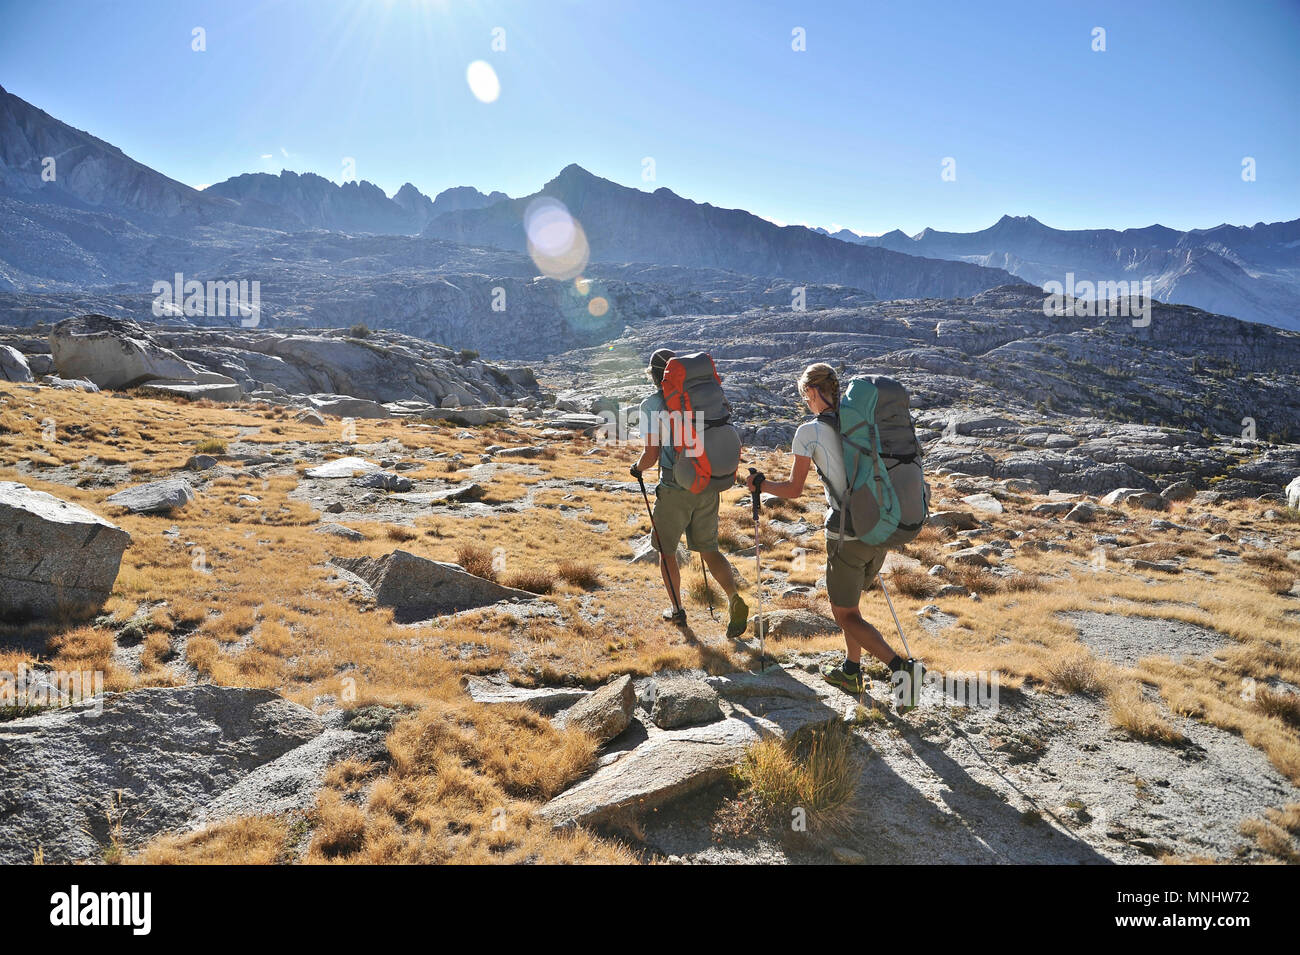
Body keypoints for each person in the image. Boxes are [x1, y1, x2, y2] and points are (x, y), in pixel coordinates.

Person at [745, 362, 916, 695]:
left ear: (812, 392)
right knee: (851, 606)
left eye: (804, 396)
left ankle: (903, 671)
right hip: (879, 526)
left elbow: (793, 490)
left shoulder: (809, 431)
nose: (805, 403)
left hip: (846, 532)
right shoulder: (863, 423)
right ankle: (850, 671)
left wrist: (761, 484)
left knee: (844, 615)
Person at [631, 347, 749, 638]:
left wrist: (636, 468)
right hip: (706, 482)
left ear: (654, 376)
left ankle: (677, 611)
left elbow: (651, 454)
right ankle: (734, 598)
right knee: (709, 550)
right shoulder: (702, 399)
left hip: (675, 488)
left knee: (667, 551)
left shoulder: (653, 404)